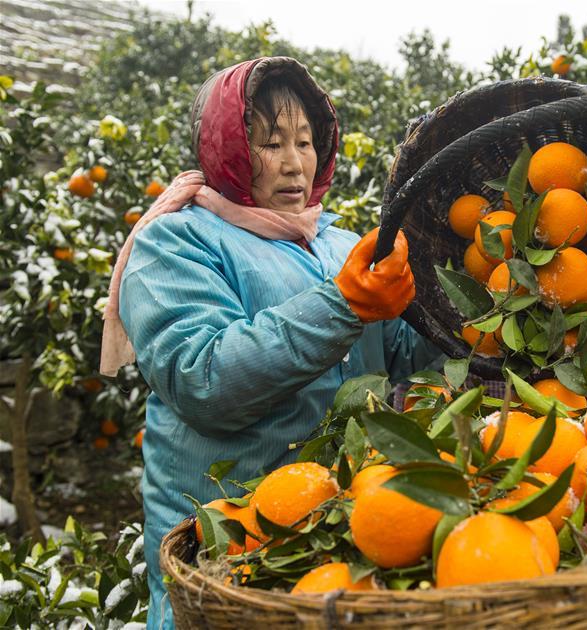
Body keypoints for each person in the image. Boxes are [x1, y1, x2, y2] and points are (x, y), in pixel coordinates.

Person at [99, 57, 441, 629]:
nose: (293, 163)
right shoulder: (175, 243)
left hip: (338, 527)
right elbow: (202, 377)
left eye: (305, 142)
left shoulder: (336, 244)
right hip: (231, 543)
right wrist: (343, 306)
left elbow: (398, 357)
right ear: (227, 148)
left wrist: (464, 312)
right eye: (269, 143)